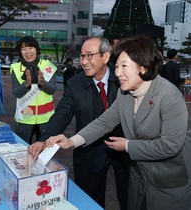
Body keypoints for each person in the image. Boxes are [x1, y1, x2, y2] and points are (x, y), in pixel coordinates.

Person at [45, 35, 191, 209]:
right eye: (117, 66)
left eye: (124, 66)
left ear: (142, 68)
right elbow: (104, 122)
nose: (117, 72)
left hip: (166, 181)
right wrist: (71, 141)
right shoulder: (125, 93)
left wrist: (128, 146)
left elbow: (170, 146)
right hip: (139, 176)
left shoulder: (169, 96)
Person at [28, 36, 129, 209]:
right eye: (82, 56)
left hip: (124, 149)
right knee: (90, 201)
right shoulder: (75, 84)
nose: (84, 61)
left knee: (129, 197)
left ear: (106, 56)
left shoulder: (123, 79)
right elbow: (61, 115)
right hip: (90, 149)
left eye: (89, 55)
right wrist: (44, 140)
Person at [10, 36, 57, 144]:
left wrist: (42, 83)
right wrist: (26, 84)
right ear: (20, 52)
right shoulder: (16, 68)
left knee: (45, 151)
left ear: (36, 49)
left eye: (30, 47)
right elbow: (16, 92)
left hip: (46, 119)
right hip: (24, 119)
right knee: (23, 150)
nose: (28, 52)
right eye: (23, 49)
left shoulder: (48, 66)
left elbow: (52, 89)